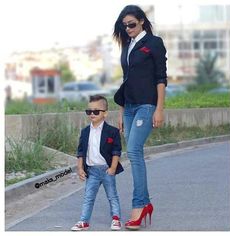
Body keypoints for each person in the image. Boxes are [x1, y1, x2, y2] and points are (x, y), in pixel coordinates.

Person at [113, 5, 167, 230]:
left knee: (134, 150)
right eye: (125, 26)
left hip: (147, 105)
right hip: (130, 106)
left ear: (142, 21)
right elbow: (126, 80)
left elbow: (160, 77)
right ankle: (145, 204)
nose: (128, 29)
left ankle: (138, 205)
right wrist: (121, 111)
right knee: (134, 152)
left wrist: (159, 108)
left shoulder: (154, 43)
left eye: (132, 24)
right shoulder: (127, 46)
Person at [71, 95, 124, 231]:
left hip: (107, 169)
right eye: (89, 111)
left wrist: (113, 168)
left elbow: (116, 151)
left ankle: (116, 218)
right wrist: (80, 168)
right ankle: (84, 221)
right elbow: (81, 151)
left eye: (96, 111)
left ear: (105, 113)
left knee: (112, 195)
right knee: (88, 197)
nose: (92, 114)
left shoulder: (112, 131)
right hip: (92, 171)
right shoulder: (85, 132)